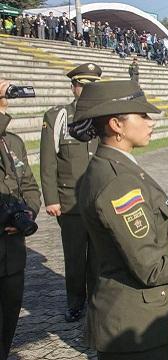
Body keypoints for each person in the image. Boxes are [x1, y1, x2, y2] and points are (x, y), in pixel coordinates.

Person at [68, 80, 168, 359]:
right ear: (116, 125)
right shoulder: (118, 181)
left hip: (133, 319)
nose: (151, 122)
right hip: (135, 324)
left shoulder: (112, 166)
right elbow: (151, 268)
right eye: (142, 115)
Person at [39, 63, 102, 323]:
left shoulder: (103, 115)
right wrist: (51, 198)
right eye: (80, 85)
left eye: (91, 86)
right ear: (73, 87)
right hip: (70, 202)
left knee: (99, 258)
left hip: (98, 201)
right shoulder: (58, 116)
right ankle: (75, 302)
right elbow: (48, 160)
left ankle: (98, 303)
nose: (85, 90)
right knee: (75, 257)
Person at [0, 79, 41, 359]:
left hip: (12, 252)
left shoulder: (13, 142)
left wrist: (28, 212)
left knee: (9, 314)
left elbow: (28, 185)